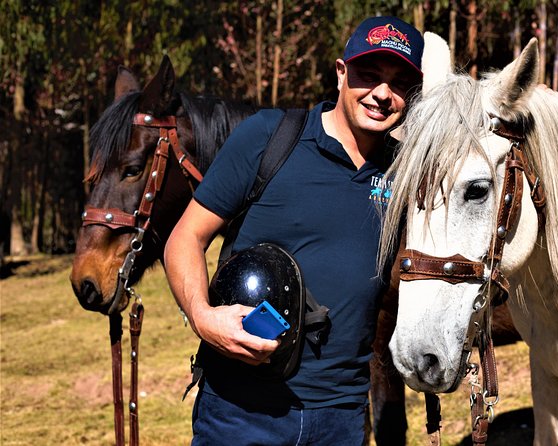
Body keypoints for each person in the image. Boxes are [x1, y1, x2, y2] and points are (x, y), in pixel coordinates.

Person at [164, 15, 424, 445]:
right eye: (369, 75)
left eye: (399, 83)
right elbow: (185, 239)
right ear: (341, 73)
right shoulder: (269, 137)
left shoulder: (407, 173)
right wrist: (202, 317)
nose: (382, 93)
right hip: (240, 411)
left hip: (342, 417)